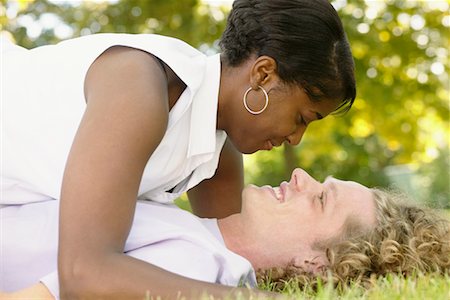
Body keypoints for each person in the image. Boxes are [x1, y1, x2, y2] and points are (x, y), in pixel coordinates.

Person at [1, 0, 356, 298]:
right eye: (302, 117)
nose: (296, 138)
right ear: (263, 75)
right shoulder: (140, 87)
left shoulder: (217, 154)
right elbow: (83, 273)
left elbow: (226, 258)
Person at [2, 168, 449, 299]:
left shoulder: (195, 265)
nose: (300, 175)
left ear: (319, 264)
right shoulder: (190, 227)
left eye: (319, 199)